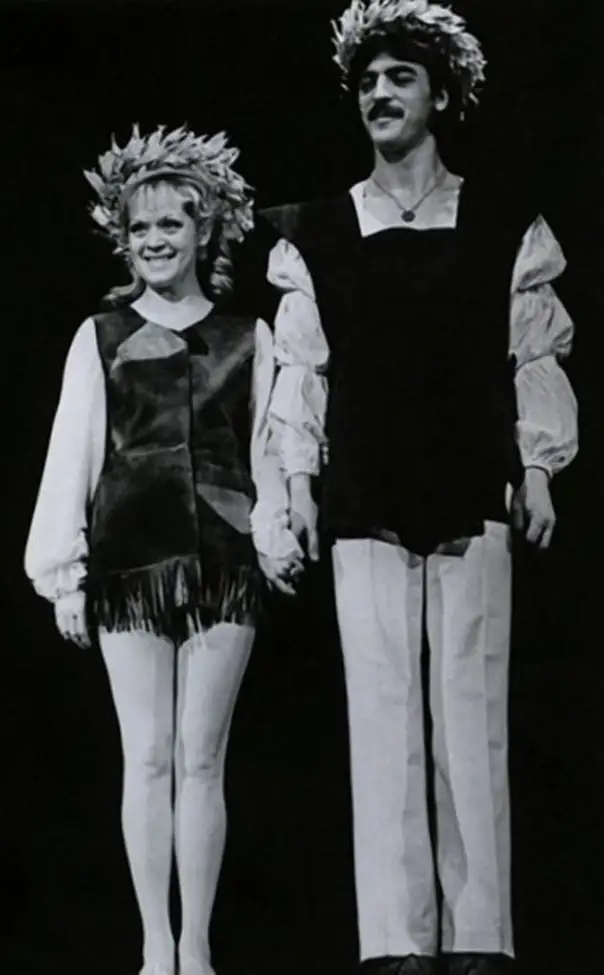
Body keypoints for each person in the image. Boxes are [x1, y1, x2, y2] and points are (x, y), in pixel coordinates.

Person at [260, 3, 579, 974]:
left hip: (469, 485)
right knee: (382, 712)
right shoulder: (318, 232)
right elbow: (300, 372)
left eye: (399, 76)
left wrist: (537, 468)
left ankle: (479, 941)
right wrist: (298, 485)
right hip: (364, 490)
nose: (379, 93)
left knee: (470, 712)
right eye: (367, 81)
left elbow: (534, 353)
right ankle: (396, 946)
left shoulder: (501, 224)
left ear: (440, 94)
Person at [24, 124, 302, 975]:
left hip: (222, 558)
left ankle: (197, 946)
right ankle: (155, 947)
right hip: (130, 561)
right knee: (146, 754)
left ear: (203, 229)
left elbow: (266, 449)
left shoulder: (249, 335)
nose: (153, 240)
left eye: (170, 224)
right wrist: (65, 574)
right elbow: (73, 451)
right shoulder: (101, 336)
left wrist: (276, 535)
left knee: (201, 756)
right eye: (139, 227)